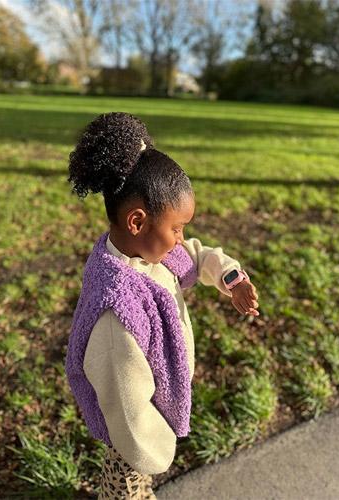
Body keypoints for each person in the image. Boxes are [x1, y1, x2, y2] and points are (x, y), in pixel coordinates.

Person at [64, 112, 260, 499]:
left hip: (153, 415)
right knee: (125, 490)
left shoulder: (151, 251)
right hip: (135, 444)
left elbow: (197, 255)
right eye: (176, 228)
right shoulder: (116, 315)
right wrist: (156, 449)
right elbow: (127, 407)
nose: (181, 239)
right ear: (137, 222)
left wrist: (232, 278)